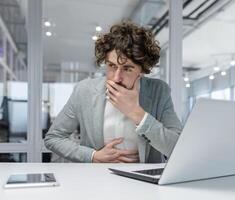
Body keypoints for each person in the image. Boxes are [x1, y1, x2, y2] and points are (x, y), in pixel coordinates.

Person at [44, 21, 182, 163]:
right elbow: (53, 138)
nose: (116, 77)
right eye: (111, 66)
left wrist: (136, 113)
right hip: (98, 179)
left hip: (144, 181)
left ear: (142, 70)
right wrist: (92, 156)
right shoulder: (84, 90)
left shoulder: (158, 91)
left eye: (127, 68)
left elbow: (177, 148)